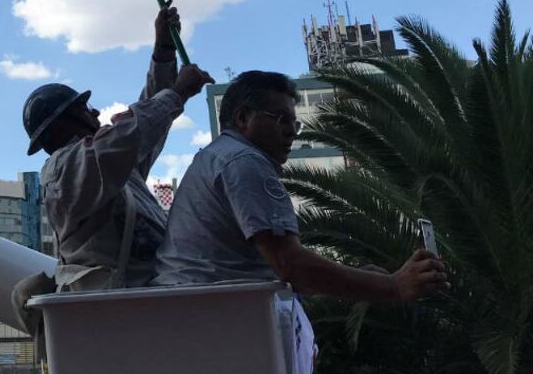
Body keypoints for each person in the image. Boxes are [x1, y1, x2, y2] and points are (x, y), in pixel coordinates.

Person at [151, 71, 447, 370]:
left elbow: (269, 266)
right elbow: (292, 266)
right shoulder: (244, 162)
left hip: (198, 327)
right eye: (280, 119)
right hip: (219, 332)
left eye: (295, 122)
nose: (292, 131)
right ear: (243, 118)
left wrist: (359, 277)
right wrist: (392, 286)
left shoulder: (218, 157)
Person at [22, 3, 213, 289]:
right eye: (84, 108)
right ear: (62, 124)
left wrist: (163, 52)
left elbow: (142, 131)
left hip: (134, 307)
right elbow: (129, 135)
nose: (95, 112)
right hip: (117, 314)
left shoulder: (108, 173)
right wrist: (177, 93)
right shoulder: (65, 170)